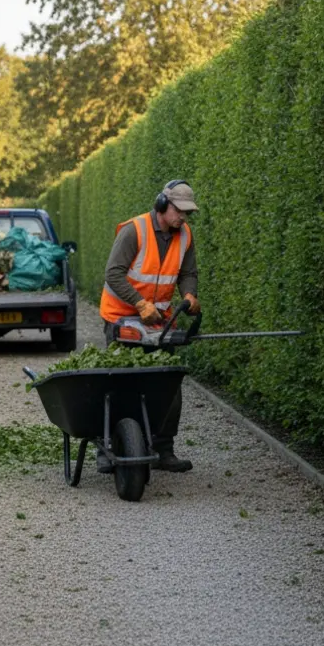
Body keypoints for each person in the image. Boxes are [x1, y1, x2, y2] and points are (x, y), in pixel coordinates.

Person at [97, 179, 201, 473]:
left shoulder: (185, 235)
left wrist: (190, 294)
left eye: (187, 213)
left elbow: (188, 272)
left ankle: (164, 449)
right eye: (179, 211)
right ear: (162, 204)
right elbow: (113, 274)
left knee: (168, 385)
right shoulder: (135, 230)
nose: (182, 217)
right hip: (122, 317)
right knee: (120, 384)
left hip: (160, 322)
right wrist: (140, 304)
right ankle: (109, 449)